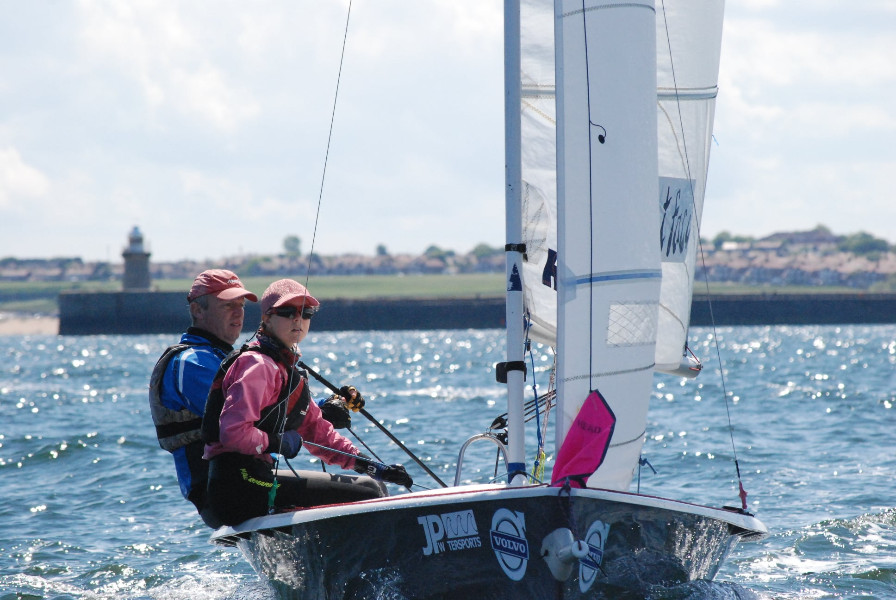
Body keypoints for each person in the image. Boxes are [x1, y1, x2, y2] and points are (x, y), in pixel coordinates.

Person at [202, 278, 413, 526]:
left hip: (254, 479)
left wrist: (373, 467)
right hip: (237, 485)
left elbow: (318, 433)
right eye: (288, 312)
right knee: (370, 491)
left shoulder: (285, 369)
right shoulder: (257, 365)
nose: (297, 320)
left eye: (306, 313)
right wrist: (277, 441)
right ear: (267, 318)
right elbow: (233, 434)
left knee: (373, 482)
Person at [148, 269, 258, 528]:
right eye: (228, 305)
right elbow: (250, 413)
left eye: (241, 305)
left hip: (250, 482)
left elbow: (268, 402)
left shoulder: (225, 359)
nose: (238, 313)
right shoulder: (192, 362)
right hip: (224, 494)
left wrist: (321, 409)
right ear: (198, 310)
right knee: (365, 490)